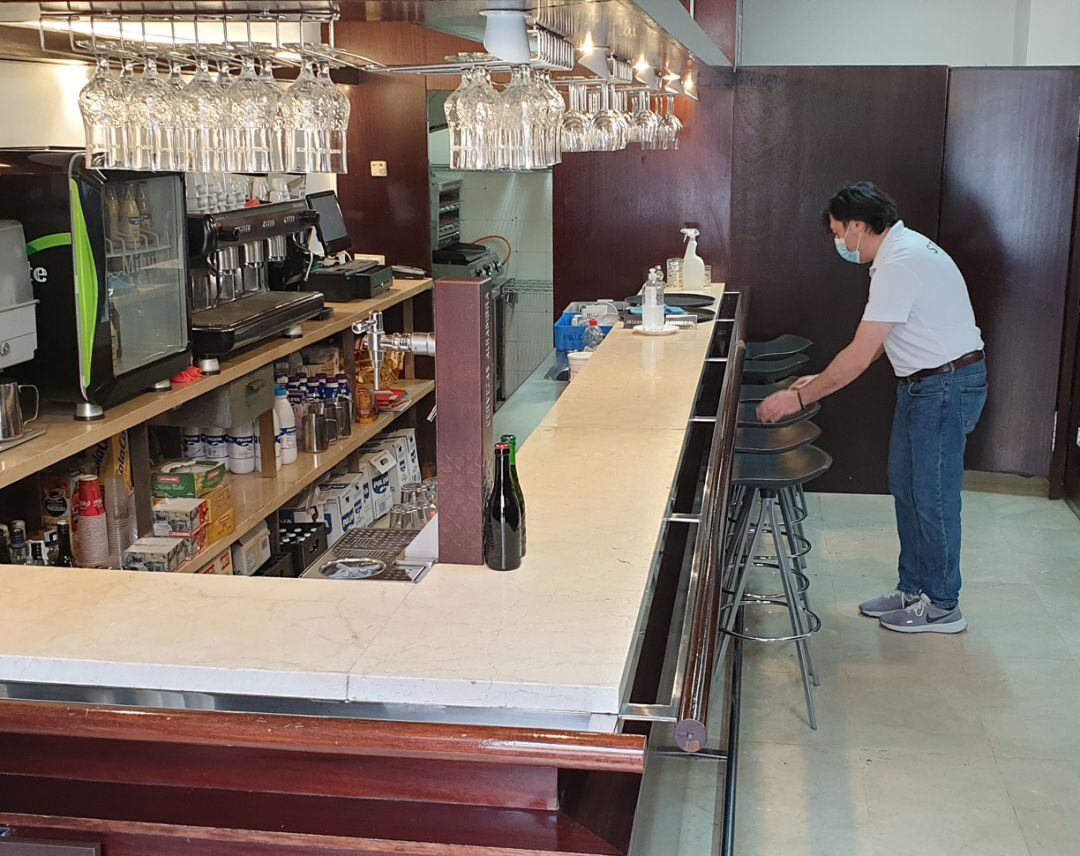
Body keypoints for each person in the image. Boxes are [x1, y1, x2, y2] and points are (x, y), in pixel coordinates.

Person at [757, 182, 987, 634]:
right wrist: (818, 379)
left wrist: (800, 396)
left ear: (858, 226)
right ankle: (912, 589)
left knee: (933, 499)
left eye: (838, 232)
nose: (838, 242)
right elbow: (879, 341)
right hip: (925, 385)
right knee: (907, 489)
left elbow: (861, 356)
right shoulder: (897, 252)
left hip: (945, 386)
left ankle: (943, 606)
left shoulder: (901, 262)